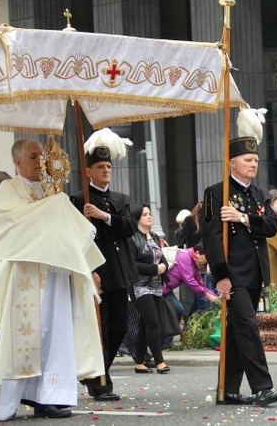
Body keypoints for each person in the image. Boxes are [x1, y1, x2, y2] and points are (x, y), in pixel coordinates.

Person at [0, 139, 105, 421]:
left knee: (56, 334)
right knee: (24, 338)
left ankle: (49, 396)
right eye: (33, 156)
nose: (40, 161)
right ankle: (11, 398)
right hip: (24, 277)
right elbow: (9, 226)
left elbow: (65, 232)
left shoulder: (54, 191)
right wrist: (54, 207)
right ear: (18, 162)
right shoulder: (8, 190)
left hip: (55, 274)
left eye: (42, 156)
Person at [202, 136, 277, 407]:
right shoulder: (216, 193)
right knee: (247, 327)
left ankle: (228, 390)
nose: (253, 164)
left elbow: (272, 226)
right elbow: (211, 238)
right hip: (233, 274)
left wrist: (243, 218)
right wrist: (221, 276)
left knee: (236, 332)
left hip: (255, 272)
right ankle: (263, 387)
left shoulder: (260, 194)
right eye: (248, 160)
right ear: (232, 162)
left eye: (256, 160)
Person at [70, 128, 138, 402]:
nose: (106, 170)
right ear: (89, 172)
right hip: (99, 272)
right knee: (100, 328)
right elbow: (77, 240)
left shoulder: (120, 200)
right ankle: (100, 381)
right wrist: (91, 270)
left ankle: (97, 373)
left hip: (120, 271)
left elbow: (130, 227)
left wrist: (103, 215)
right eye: (100, 167)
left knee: (119, 327)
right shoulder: (78, 199)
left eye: (109, 166)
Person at [129, 204, 172, 375]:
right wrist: (155, 269)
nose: (149, 216)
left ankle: (139, 362)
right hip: (139, 286)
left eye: (149, 214)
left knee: (144, 323)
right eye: (145, 214)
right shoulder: (132, 239)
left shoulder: (154, 236)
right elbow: (132, 265)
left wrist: (164, 267)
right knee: (153, 322)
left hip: (156, 285)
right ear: (137, 218)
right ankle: (159, 361)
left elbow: (161, 257)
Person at [162, 243, 219, 330]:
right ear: (197, 253)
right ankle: (164, 341)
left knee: (178, 310)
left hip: (166, 290)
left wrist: (214, 296)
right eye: (206, 258)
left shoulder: (194, 261)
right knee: (173, 311)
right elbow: (190, 281)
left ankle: (167, 341)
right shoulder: (185, 257)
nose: (206, 261)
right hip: (158, 289)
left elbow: (200, 282)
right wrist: (207, 295)